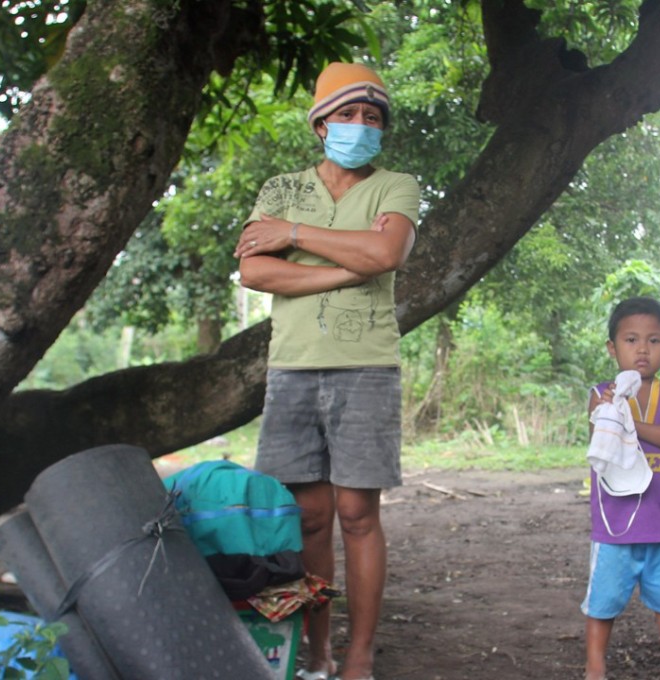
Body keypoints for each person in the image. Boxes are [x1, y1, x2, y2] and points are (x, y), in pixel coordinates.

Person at [234, 62, 420, 680]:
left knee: (358, 515)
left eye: (372, 117)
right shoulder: (281, 190)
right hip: (292, 369)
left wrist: (293, 239)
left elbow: (385, 252)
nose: (359, 126)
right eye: (346, 114)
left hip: (366, 367)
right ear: (320, 125)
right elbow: (256, 272)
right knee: (307, 517)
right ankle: (314, 655)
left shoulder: (395, 186)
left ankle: (358, 658)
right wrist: (346, 266)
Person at [582, 297, 660, 680]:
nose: (642, 349)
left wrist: (632, 422)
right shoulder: (602, 394)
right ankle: (595, 669)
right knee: (602, 602)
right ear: (612, 348)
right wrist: (609, 411)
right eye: (631, 339)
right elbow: (596, 440)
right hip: (616, 528)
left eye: (654, 341)